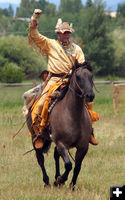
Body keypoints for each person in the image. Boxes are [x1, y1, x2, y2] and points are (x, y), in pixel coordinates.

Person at [28, 9, 98, 145]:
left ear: (70, 33)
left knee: (88, 101)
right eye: (62, 33)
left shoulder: (77, 49)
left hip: (71, 81)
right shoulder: (50, 44)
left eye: (67, 32)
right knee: (41, 103)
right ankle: (40, 133)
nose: (65, 35)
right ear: (58, 34)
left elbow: (81, 66)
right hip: (53, 80)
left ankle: (89, 132)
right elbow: (35, 36)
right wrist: (34, 19)